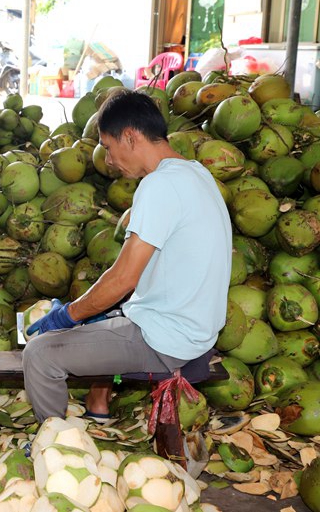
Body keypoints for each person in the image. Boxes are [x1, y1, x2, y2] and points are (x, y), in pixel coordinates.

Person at [22, 90, 232, 423]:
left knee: (40, 354)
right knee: (102, 314)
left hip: (166, 340)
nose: (107, 160)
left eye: (108, 147)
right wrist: (87, 313)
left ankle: (52, 445)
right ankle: (98, 409)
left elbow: (123, 279)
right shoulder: (196, 174)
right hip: (197, 330)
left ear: (130, 137)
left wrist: (66, 318)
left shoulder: (158, 185)